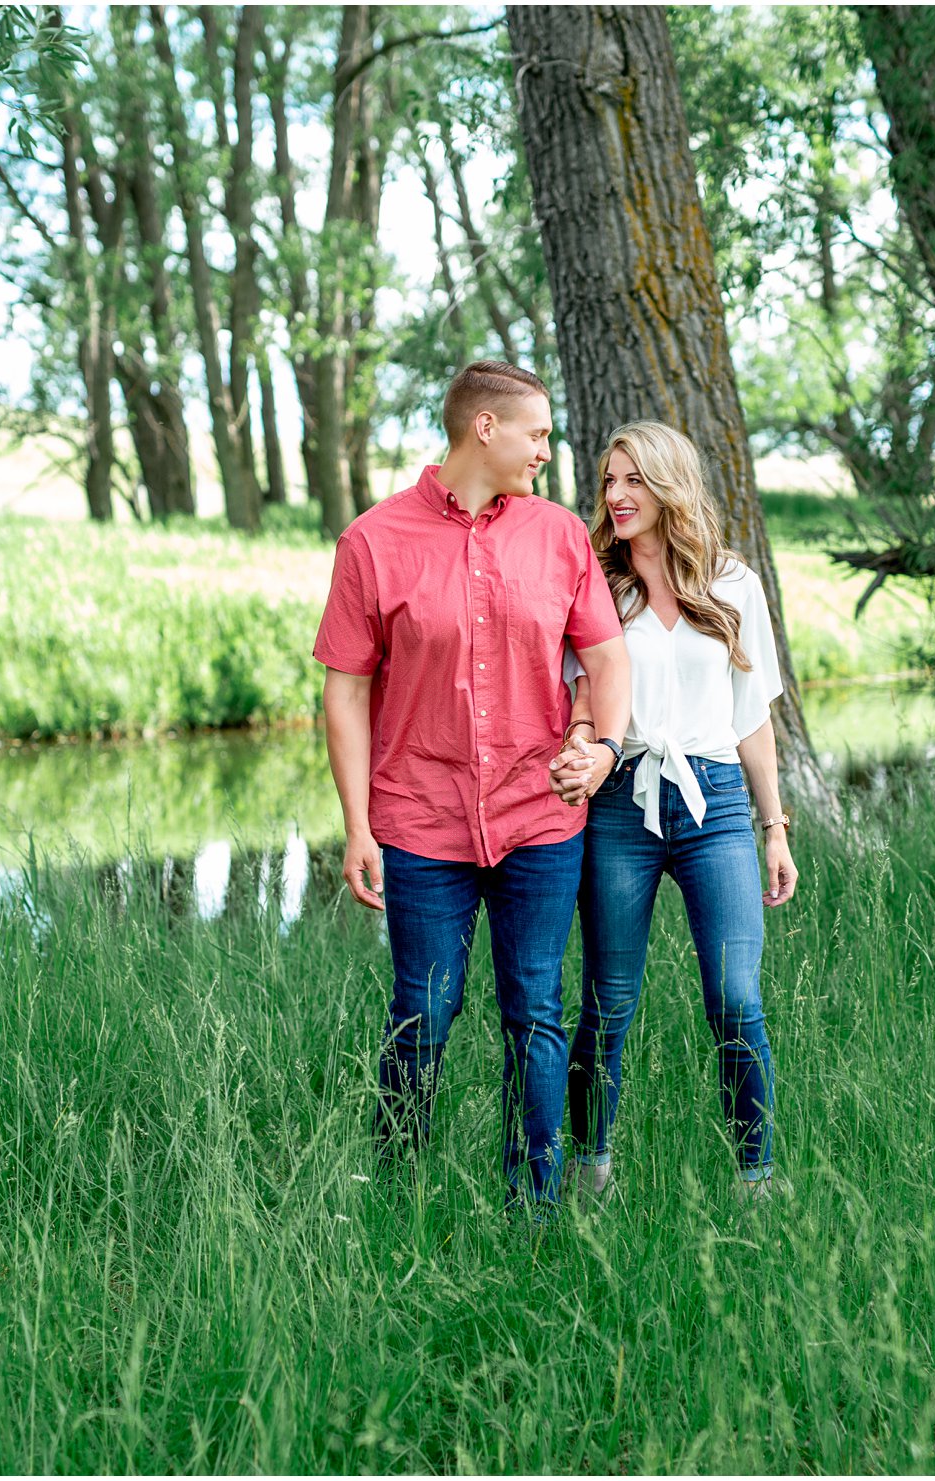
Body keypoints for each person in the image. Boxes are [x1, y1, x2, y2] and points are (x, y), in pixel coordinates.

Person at [313, 360, 632, 1214]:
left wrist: (601, 748)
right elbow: (343, 690)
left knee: (536, 1010)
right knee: (423, 1014)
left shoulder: (560, 534)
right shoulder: (373, 542)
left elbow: (605, 657)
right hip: (420, 824)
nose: (546, 448)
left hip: (540, 816)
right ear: (484, 429)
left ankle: (534, 1201)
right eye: (537, 432)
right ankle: (394, 1192)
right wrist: (356, 826)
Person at [551, 420, 798, 1198]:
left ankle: (757, 1176)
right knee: (609, 1000)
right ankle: (591, 1168)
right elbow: (582, 700)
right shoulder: (594, 584)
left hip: (716, 802)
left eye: (632, 480)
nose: (616, 496)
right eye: (607, 482)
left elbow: (752, 715)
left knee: (736, 997)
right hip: (621, 803)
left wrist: (774, 827)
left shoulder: (734, 585)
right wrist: (583, 748)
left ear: (668, 484)